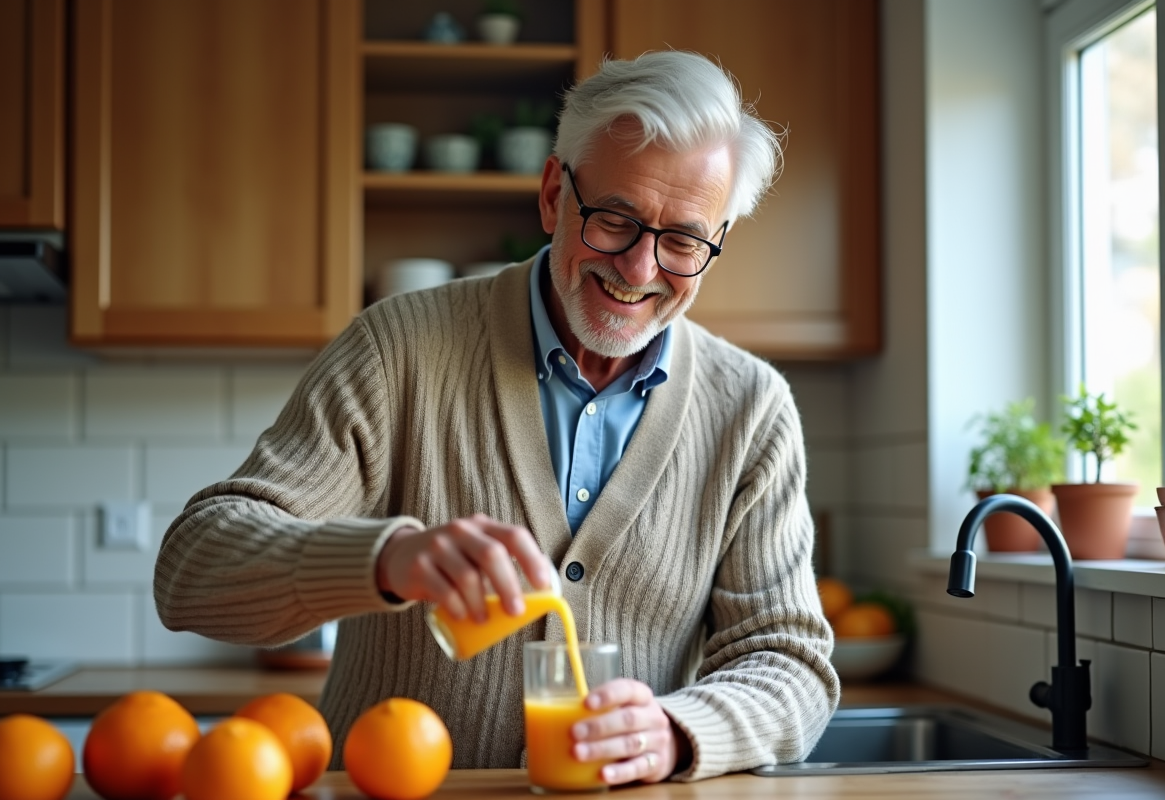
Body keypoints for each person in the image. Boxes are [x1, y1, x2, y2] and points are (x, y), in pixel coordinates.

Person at [154, 50, 838, 784]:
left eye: (682, 241)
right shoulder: (397, 351)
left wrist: (676, 731)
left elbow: (789, 663)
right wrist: (386, 559)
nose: (639, 270)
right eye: (615, 220)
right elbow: (193, 572)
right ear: (553, 196)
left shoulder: (750, 409)